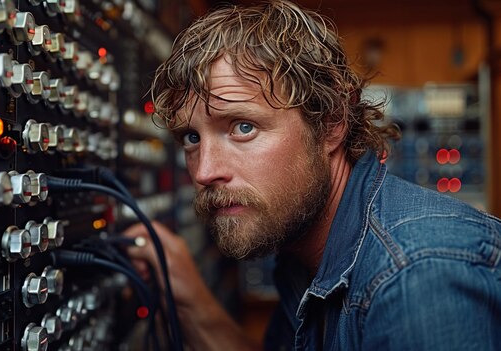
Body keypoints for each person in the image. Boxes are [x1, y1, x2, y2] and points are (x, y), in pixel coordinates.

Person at [123, 1, 501, 350]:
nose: (205, 171)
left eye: (242, 127)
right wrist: (189, 297)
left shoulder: (418, 280)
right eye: (191, 137)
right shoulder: (303, 247)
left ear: (331, 123)